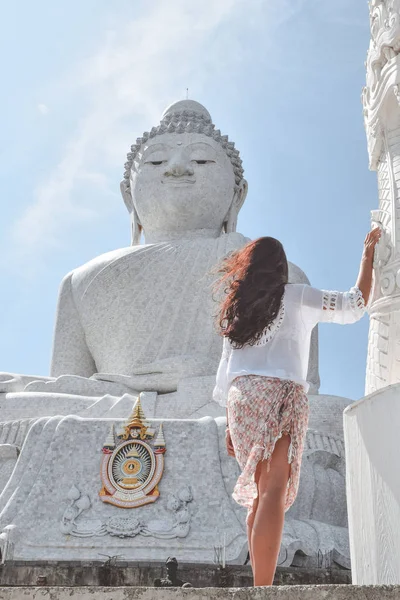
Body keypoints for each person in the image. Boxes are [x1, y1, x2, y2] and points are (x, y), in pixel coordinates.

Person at [212, 228, 381, 586]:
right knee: (273, 488)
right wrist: (367, 260)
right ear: (281, 268)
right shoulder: (296, 296)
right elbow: (354, 305)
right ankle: (263, 588)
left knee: (260, 493)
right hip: (279, 396)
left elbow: (226, 372)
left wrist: (229, 424)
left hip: (242, 400)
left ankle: (260, 582)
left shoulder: (237, 307)